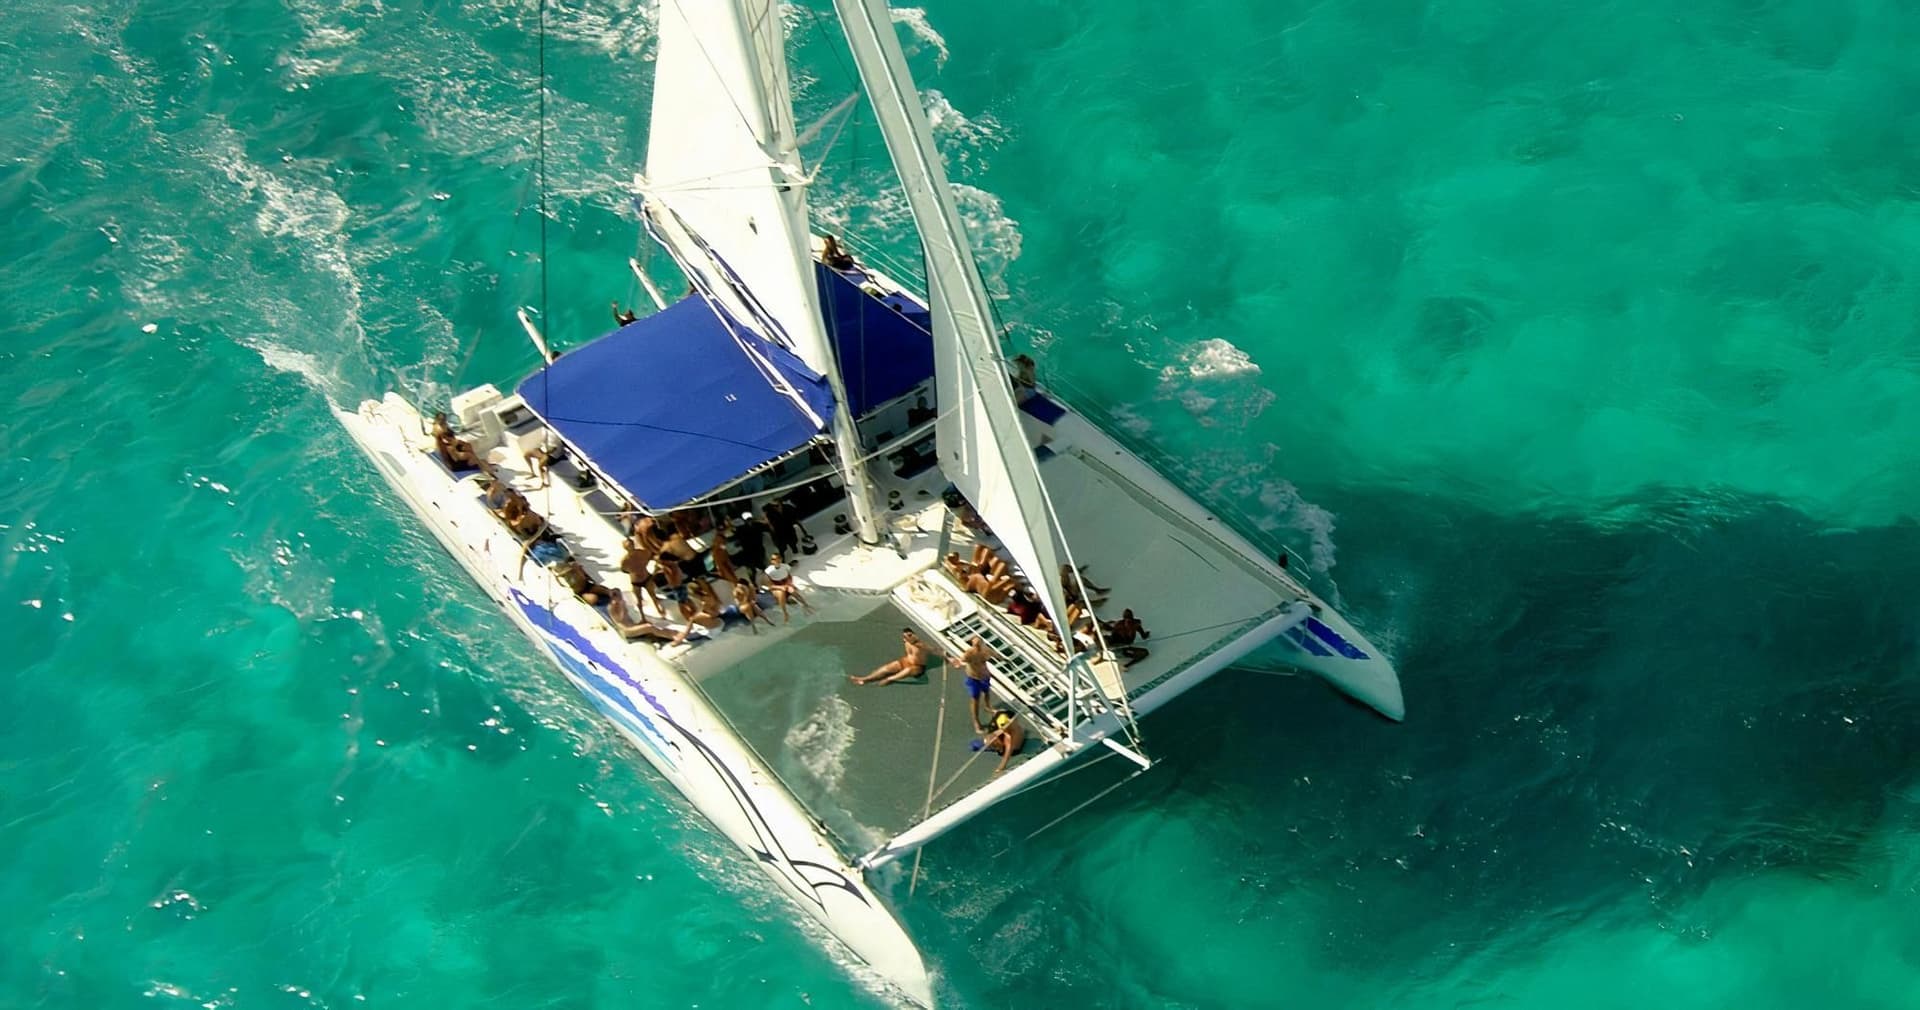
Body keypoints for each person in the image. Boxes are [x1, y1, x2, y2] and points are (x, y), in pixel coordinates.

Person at [947, 635, 998, 732]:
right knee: (975, 700)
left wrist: (1004, 659)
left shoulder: (986, 650)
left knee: (987, 692)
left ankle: (988, 707)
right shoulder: (969, 654)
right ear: (972, 645)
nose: (978, 646)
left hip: (985, 676)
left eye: (979, 643)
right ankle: (976, 722)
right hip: (974, 679)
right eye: (976, 644)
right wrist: (955, 663)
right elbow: (961, 662)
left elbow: (996, 655)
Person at [853, 628, 930, 685]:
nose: (908, 638)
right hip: (905, 661)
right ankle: (865, 679)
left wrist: (941, 652)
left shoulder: (922, 645)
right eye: (906, 637)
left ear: (915, 635)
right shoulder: (907, 642)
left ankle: (890, 679)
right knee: (886, 668)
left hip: (918, 667)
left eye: (910, 635)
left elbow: (936, 650)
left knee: (908, 670)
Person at [607, 592, 685, 644]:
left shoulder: (621, 602)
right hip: (627, 630)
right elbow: (620, 618)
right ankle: (674, 635)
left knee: (649, 621)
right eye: (617, 596)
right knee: (648, 627)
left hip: (633, 625)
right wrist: (619, 605)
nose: (621, 597)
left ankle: (665, 634)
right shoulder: (613, 607)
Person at [620, 537, 664, 618]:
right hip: (636, 581)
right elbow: (624, 569)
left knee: (653, 595)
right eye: (628, 546)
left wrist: (641, 567)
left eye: (631, 545)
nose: (630, 547)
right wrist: (635, 570)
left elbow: (649, 557)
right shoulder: (625, 560)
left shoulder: (641, 553)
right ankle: (643, 616)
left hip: (646, 577)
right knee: (639, 600)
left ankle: (659, 611)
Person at [762, 554, 812, 623]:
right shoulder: (768, 571)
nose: (777, 561)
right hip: (777, 586)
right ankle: (785, 613)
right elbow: (770, 586)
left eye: (778, 559)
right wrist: (781, 587)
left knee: (793, 591)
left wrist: (789, 584)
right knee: (781, 594)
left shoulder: (785, 566)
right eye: (774, 559)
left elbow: (789, 576)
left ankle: (806, 605)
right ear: (772, 561)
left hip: (785, 584)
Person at [975, 710, 1026, 774]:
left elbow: (1008, 750)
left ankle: (998, 746)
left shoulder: (1010, 735)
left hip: (1012, 748)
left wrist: (1000, 768)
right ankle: (995, 745)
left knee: (978, 744)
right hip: (1005, 736)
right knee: (975, 745)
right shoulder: (1001, 721)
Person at [731, 509, 769, 587]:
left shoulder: (753, 526)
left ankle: (766, 579)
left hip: (756, 551)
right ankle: (755, 583)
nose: (750, 521)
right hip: (751, 552)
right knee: (753, 569)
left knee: (760, 566)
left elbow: (766, 526)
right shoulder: (743, 529)